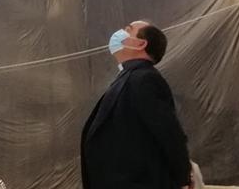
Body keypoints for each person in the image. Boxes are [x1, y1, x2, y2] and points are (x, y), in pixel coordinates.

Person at [81, 21, 192, 189]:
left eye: (128, 30)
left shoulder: (145, 78)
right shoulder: (127, 77)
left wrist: (184, 176)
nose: (120, 32)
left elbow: (168, 132)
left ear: (141, 43)